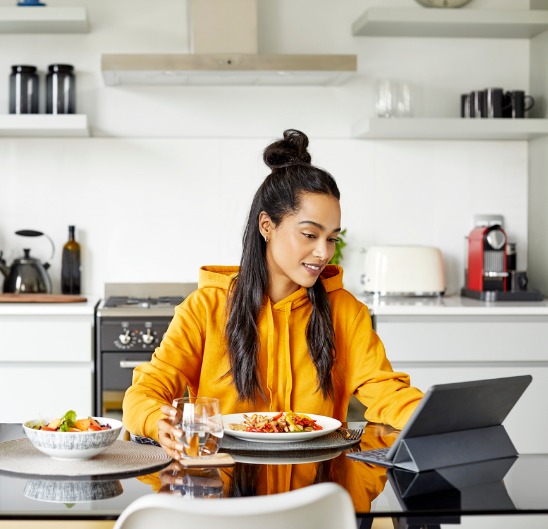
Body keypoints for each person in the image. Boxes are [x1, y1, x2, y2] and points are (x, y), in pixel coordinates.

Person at [123, 129, 423, 460]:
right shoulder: (205, 307)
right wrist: (156, 420)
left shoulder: (346, 312)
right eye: (309, 234)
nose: (323, 253)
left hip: (317, 492)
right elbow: (144, 393)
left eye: (332, 239)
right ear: (267, 226)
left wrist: (437, 419)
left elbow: (389, 394)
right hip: (221, 488)